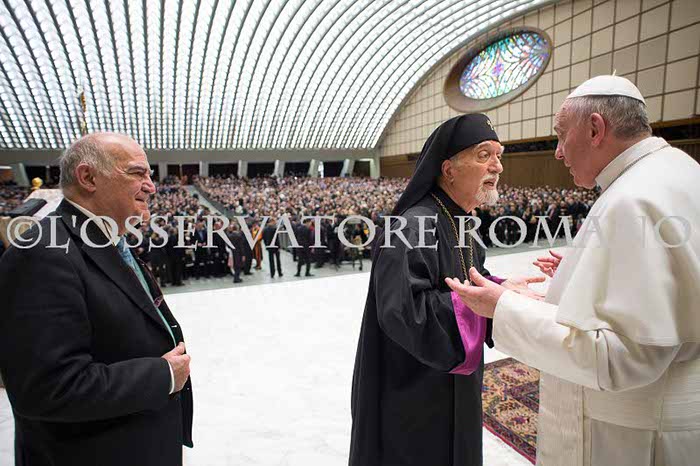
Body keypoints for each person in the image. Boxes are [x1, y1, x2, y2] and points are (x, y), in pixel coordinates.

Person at [447, 76, 700, 466]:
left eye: (562, 136)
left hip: (631, 439)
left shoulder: (634, 198)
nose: (558, 152)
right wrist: (587, 267)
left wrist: (503, 307)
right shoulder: (678, 170)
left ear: (595, 129)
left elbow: (622, 358)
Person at [349, 114, 543, 466]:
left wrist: (501, 289)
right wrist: (486, 305)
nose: (497, 166)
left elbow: (467, 280)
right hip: (415, 394)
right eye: (484, 155)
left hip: (456, 385)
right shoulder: (411, 226)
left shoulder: (463, 223)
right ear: (448, 169)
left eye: (499, 156)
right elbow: (405, 312)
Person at [0, 133, 193, 466]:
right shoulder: (43, 253)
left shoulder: (106, 241)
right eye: (137, 173)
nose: (151, 186)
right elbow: (47, 388)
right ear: (88, 178)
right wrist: (162, 375)